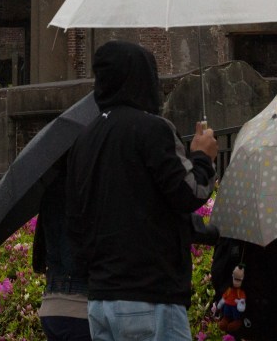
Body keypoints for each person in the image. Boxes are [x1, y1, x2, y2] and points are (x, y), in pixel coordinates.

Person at [66, 40, 218, 341]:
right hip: (150, 295)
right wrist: (203, 157)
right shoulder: (152, 129)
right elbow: (191, 193)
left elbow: (76, 220)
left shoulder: (84, 139)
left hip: (100, 298)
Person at [33, 168, 90, 341]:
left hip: (51, 305)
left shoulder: (50, 192)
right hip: (79, 307)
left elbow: (40, 255)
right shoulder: (83, 189)